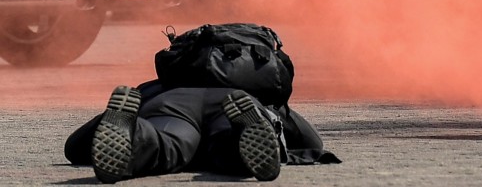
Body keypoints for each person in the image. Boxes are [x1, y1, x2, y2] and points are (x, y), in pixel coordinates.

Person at [65, 82, 340, 183]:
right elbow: (312, 141)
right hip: (236, 101)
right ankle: (242, 133)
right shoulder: (258, 88)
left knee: (167, 145)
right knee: (228, 147)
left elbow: (74, 146)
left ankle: (136, 133)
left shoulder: (156, 84)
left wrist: (111, 120)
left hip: (170, 103)